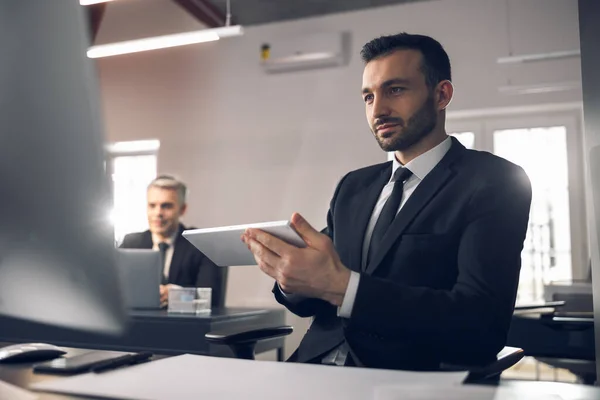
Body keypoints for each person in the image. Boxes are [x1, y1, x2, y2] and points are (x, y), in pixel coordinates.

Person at [241, 33, 532, 370]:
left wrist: (344, 288)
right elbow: (316, 296)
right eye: (368, 96)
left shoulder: (494, 181)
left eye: (395, 90)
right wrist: (290, 278)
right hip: (312, 367)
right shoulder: (354, 186)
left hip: (407, 377)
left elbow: (480, 323)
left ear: (442, 94)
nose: (378, 110)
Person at [120, 175, 223, 305]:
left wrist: (176, 295)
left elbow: (211, 296)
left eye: (166, 206)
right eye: (152, 205)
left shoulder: (201, 244)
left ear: (182, 209)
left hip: (184, 324)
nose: (158, 213)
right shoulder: (131, 243)